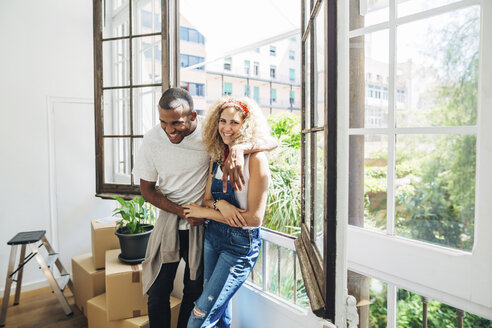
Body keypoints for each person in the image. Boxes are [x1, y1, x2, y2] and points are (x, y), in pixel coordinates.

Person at [133, 88, 276, 328]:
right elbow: (147, 190)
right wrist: (187, 212)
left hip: (207, 229)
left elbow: (270, 141)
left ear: (192, 117)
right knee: (158, 290)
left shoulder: (213, 137)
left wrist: (241, 149)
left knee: (196, 292)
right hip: (174, 221)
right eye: (163, 123)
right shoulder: (158, 140)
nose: (169, 130)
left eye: (176, 123)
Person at [184, 97, 271, 328]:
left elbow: (253, 219)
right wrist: (219, 206)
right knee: (219, 315)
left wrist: (205, 212)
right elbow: (207, 199)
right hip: (213, 238)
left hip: (239, 246)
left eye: (234, 122)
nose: (226, 128)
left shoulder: (256, 159)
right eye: (222, 121)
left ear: (246, 125)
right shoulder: (217, 157)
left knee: (200, 316)